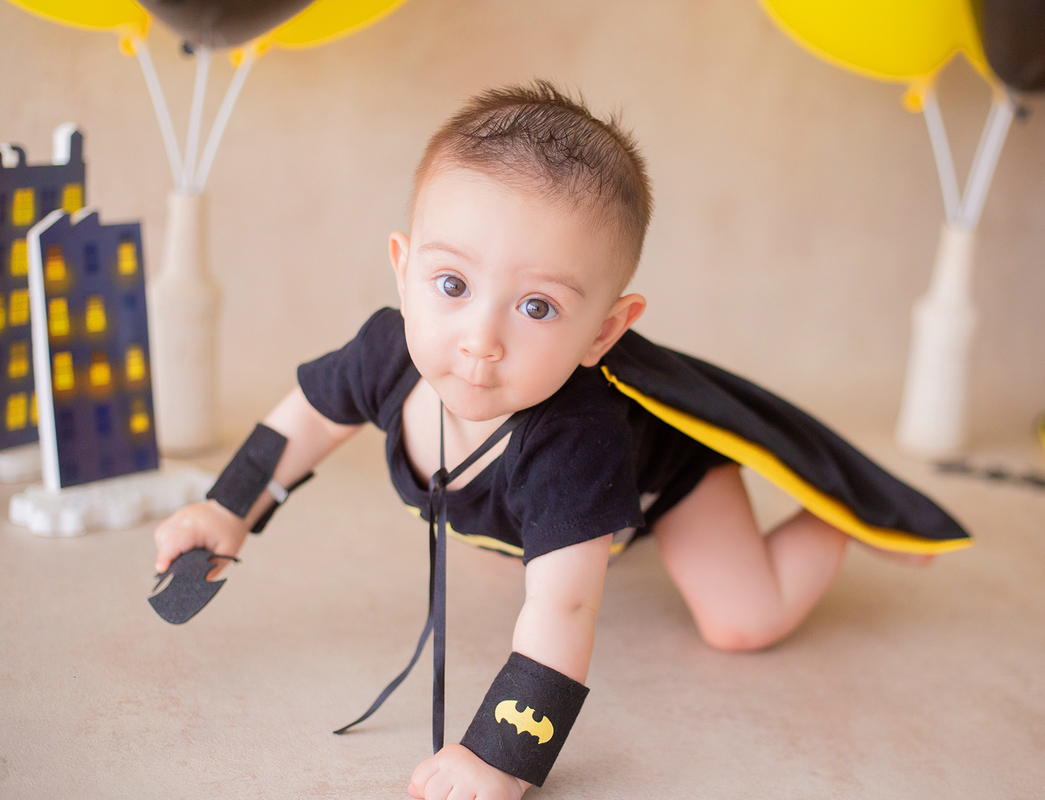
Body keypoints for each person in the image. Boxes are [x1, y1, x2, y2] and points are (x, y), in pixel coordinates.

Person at [153, 81, 967, 800]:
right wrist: (227, 510)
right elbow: (306, 416)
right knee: (515, 539)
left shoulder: (572, 441)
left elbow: (566, 605)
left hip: (667, 477)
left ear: (604, 330)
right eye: (451, 285)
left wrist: (498, 757)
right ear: (403, 272)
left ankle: (843, 519)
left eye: (537, 307)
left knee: (742, 620)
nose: (481, 339)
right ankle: (548, 526)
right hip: (545, 502)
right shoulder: (387, 349)